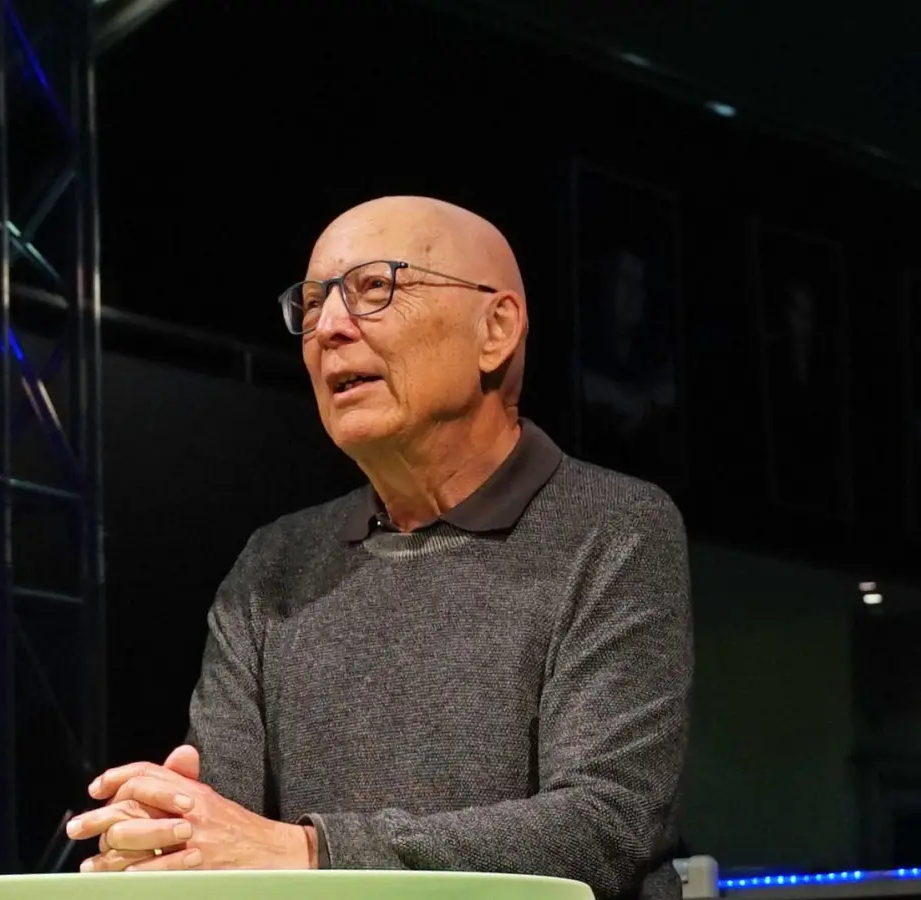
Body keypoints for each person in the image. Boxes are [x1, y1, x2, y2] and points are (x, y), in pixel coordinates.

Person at [66, 197, 692, 900]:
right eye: (310, 304)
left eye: (375, 288)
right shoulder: (274, 562)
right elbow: (232, 839)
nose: (329, 327)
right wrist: (168, 837)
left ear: (496, 328)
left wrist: (312, 852)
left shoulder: (613, 527)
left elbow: (603, 828)